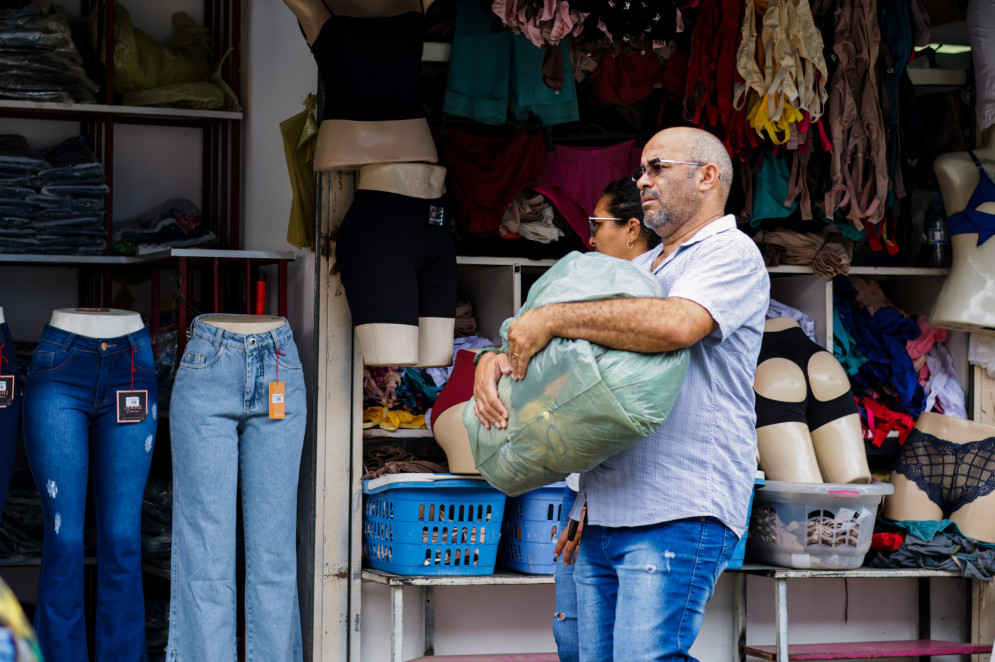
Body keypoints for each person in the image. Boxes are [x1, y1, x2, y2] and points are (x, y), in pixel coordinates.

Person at [474, 126, 770, 660]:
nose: (643, 180)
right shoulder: (639, 268)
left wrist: (552, 318)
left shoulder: (731, 254)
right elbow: (561, 364)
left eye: (657, 167)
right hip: (602, 509)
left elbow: (677, 325)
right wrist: (492, 361)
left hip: (679, 504)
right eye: (641, 169)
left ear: (707, 177)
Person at [553, 176, 661, 662]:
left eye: (598, 224)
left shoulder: (639, 297)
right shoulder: (611, 289)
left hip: (624, 506)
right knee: (579, 640)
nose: (590, 236)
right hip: (591, 500)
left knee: (593, 646)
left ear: (633, 228)